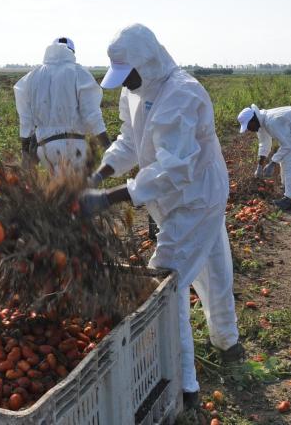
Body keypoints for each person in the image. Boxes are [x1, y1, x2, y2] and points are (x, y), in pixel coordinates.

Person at [80, 24, 241, 409]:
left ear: (148, 62)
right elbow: (130, 141)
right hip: (177, 198)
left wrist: (109, 197)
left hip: (195, 196)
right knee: (212, 267)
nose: (128, 83)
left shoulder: (182, 94)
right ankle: (227, 342)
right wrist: (100, 173)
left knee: (166, 281)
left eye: (130, 74)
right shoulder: (135, 91)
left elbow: (173, 169)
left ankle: (185, 388)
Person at [13, 37, 110, 172]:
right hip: (74, 147)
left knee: (57, 190)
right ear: (72, 53)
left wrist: (25, 152)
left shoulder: (32, 76)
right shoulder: (78, 72)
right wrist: (108, 146)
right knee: (77, 191)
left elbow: (25, 120)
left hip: (45, 149)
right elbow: (92, 115)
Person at [237, 104, 291, 210]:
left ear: (253, 119)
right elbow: (264, 144)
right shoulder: (261, 122)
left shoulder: (272, 122)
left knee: (290, 160)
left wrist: (272, 163)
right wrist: (260, 166)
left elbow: (286, 145)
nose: (249, 129)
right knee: (287, 158)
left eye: (248, 126)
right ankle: (287, 188)